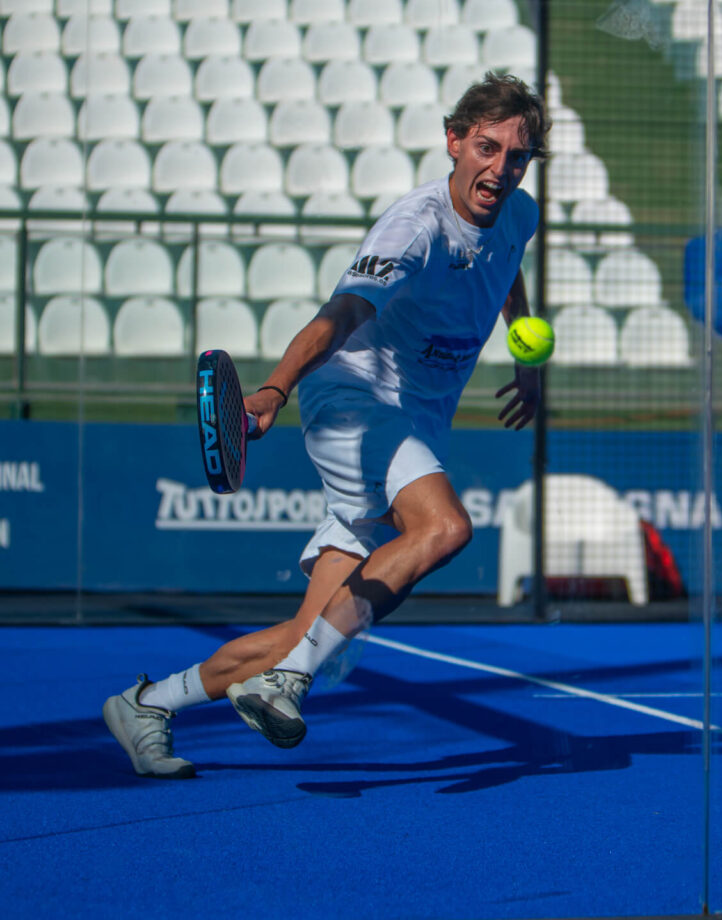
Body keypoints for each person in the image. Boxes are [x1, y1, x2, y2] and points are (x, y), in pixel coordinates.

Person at [103, 72, 550, 778]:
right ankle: (288, 681)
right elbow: (341, 314)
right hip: (354, 401)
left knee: (309, 629)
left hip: (420, 419)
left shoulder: (518, 213)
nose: (500, 169)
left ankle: (147, 703)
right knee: (444, 528)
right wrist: (276, 388)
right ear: (454, 141)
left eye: (516, 156)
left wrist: (524, 350)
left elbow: (506, 263)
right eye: (486, 148)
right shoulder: (414, 227)